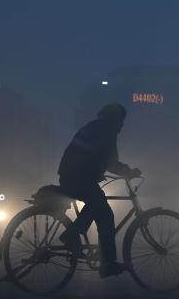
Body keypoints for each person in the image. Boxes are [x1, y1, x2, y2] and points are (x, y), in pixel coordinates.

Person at [58, 103, 141, 278]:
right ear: (116, 118)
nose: (122, 125)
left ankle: (73, 235)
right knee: (105, 214)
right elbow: (111, 161)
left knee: (96, 205)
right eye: (122, 120)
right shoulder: (107, 130)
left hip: (73, 176)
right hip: (79, 178)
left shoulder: (95, 127)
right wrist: (128, 172)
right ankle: (107, 263)